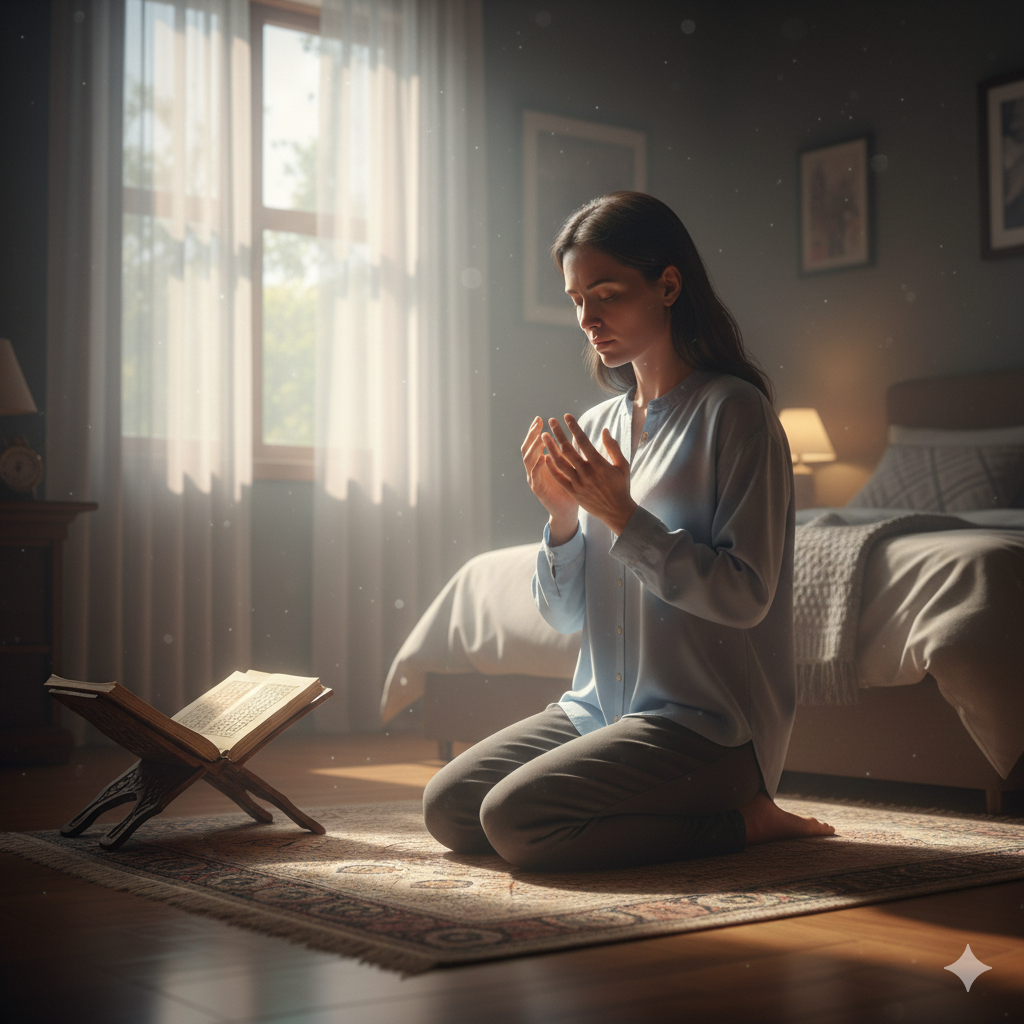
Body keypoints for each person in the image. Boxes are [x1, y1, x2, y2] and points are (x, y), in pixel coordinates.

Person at [423, 191, 834, 871]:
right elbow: (563, 616)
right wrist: (560, 518)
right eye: (577, 298)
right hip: (596, 711)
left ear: (667, 285)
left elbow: (744, 597)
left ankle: (744, 821)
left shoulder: (735, 413)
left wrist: (622, 517)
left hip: (706, 730)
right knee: (449, 808)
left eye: (606, 293)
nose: (588, 317)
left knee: (516, 823)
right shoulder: (596, 426)